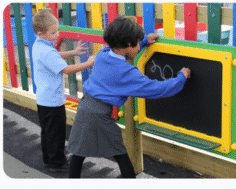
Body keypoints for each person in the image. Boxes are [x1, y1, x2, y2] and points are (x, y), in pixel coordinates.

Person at [67, 17, 191, 178]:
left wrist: (144, 41)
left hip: (86, 106)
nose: (140, 46)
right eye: (137, 43)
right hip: (98, 115)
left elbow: (123, 52)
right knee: (120, 152)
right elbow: (157, 89)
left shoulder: (104, 54)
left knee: (79, 150)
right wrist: (181, 77)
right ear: (128, 44)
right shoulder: (127, 73)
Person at [32, 9, 95, 173]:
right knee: (56, 133)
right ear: (41, 33)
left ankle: (49, 158)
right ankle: (57, 163)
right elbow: (67, 70)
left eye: (57, 30)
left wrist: (73, 52)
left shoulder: (40, 45)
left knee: (47, 131)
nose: (56, 34)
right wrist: (88, 63)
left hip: (43, 99)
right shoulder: (46, 51)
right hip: (52, 100)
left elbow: (55, 55)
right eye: (53, 32)